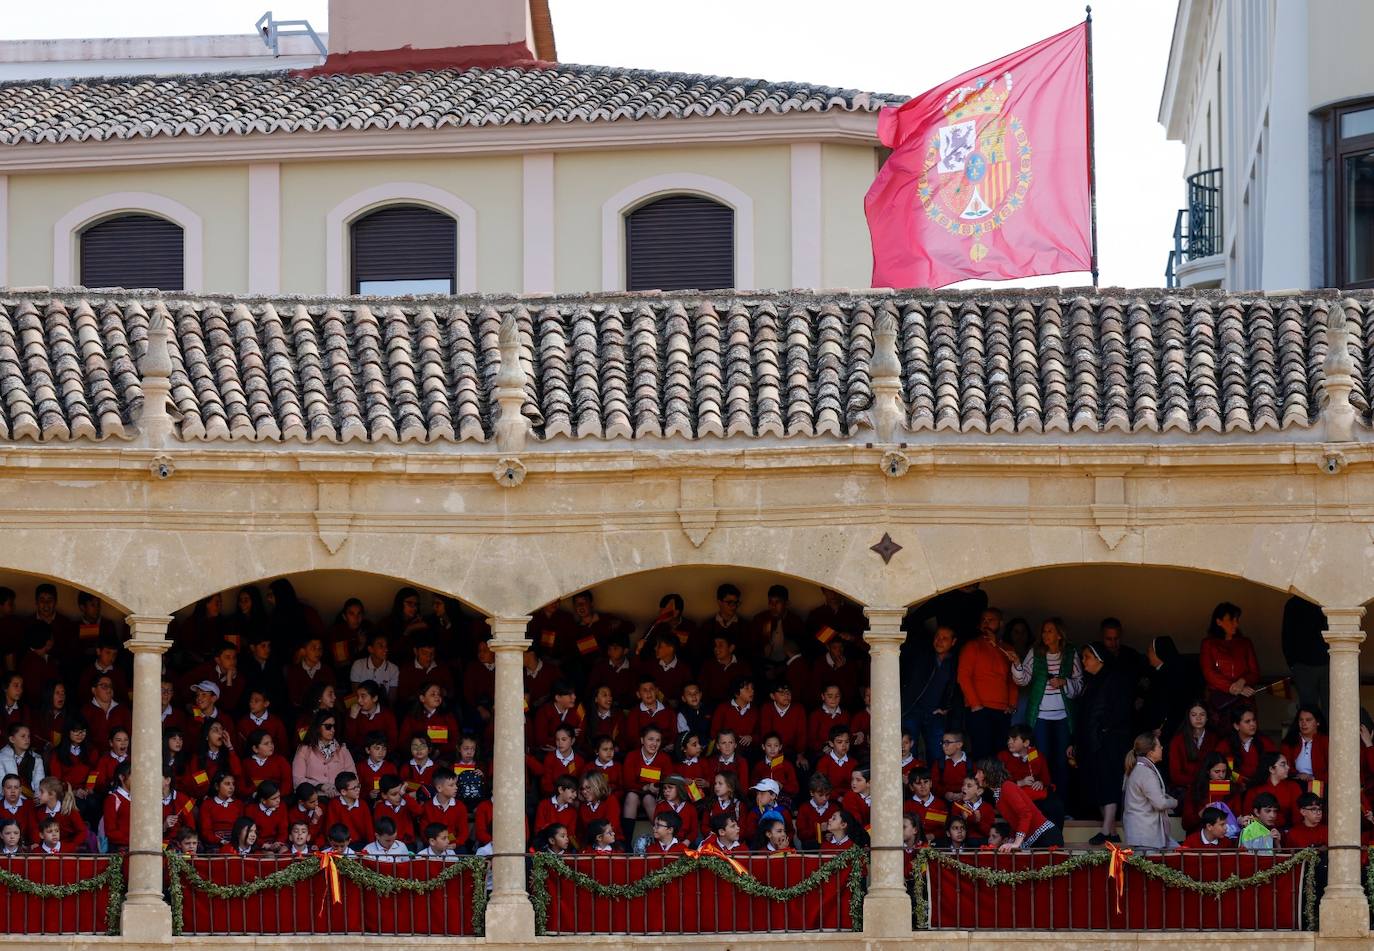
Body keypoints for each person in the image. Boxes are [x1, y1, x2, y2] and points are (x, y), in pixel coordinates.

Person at [1009, 618, 1081, 796]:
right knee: (1041, 760)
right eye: (1044, 631)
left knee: (1063, 760)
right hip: (1040, 717)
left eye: (1050, 631)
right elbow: (1022, 680)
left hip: (1063, 718)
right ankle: (1043, 801)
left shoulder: (1071, 653)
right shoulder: (1036, 652)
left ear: (1059, 635)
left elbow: (1079, 684)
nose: (1045, 634)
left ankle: (1062, 803)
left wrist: (1064, 682)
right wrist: (1017, 663)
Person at [1075, 643, 1134, 844]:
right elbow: (1084, 715)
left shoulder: (1115, 680)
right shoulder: (1090, 681)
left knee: (1108, 783)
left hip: (1110, 742)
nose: (1084, 661)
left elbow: (1121, 711)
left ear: (1099, 659)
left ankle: (1106, 830)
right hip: (1092, 743)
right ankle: (1113, 830)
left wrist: (1104, 732)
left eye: (1087, 657)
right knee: (1098, 783)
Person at [957, 609, 1018, 759]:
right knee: (982, 753)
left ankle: (998, 783)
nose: (986, 623)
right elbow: (963, 677)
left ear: (1001, 624)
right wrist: (975, 704)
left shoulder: (1008, 649)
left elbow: (1013, 678)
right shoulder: (972, 646)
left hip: (1003, 710)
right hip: (979, 709)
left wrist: (1012, 704)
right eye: (983, 620)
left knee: (1001, 753)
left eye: (991, 620)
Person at [1199, 602, 1260, 728]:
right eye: (1232, 620)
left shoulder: (1245, 643)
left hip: (1244, 701)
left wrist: (1242, 681)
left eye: (1237, 620)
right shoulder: (1208, 644)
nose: (1236, 623)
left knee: (1246, 733)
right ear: (1218, 621)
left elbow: (1255, 672)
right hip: (1219, 700)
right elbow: (1209, 673)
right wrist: (1233, 687)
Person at [1121, 733, 1177, 850]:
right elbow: (1160, 803)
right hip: (1146, 837)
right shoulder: (1146, 772)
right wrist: (1175, 802)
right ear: (1151, 752)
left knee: (1177, 852)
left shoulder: (1136, 769)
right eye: (1159, 746)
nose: (1162, 748)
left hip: (1140, 834)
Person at [1281, 596, 1329, 715]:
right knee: (1308, 709)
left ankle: (1329, 734)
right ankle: (1311, 735)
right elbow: (1286, 636)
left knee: (1331, 708)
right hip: (1303, 667)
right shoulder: (1293, 603)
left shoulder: (1327, 599)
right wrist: (1293, 664)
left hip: (1329, 664)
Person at [292, 710, 355, 798]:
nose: (333, 730)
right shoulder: (304, 749)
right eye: (328, 726)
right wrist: (320, 786)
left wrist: (339, 789)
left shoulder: (342, 749)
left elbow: (353, 777)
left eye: (334, 726)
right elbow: (297, 779)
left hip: (340, 798)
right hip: (313, 799)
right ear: (317, 727)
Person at [1167, 701, 1218, 795]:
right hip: (1186, 787)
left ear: (1207, 718)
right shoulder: (1177, 741)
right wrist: (1200, 782)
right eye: (1194, 715)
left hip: (1211, 785)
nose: (1198, 718)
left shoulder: (1215, 738)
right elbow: (1175, 776)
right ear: (1188, 718)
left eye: (1202, 714)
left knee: (1229, 789)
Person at [1281, 705, 1328, 790]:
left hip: (1321, 784)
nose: (1304, 723)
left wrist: (1313, 778)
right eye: (1301, 720)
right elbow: (1284, 766)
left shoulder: (1326, 741)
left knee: (1314, 799)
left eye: (1308, 720)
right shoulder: (1290, 740)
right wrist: (1297, 775)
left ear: (1318, 722)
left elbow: (1334, 769)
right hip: (1295, 783)